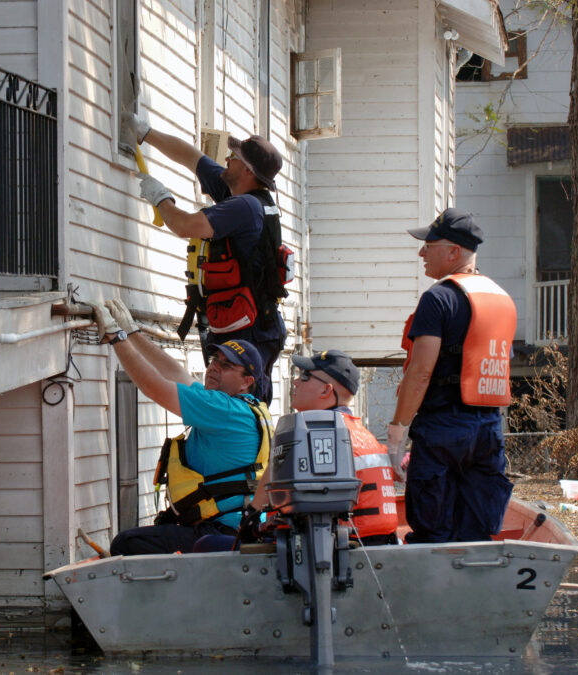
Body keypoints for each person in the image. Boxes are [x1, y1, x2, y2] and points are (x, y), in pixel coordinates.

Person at [121, 112, 287, 403]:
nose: (227, 159)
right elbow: (192, 157)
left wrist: (161, 199)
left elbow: (185, 226)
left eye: (234, 157)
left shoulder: (245, 207)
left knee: (237, 408)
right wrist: (145, 133)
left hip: (249, 332)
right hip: (247, 324)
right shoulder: (240, 193)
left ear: (248, 171)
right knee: (222, 403)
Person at [88, 297, 272, 556]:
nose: (214, 368)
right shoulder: (250, 408)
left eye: (227, 366)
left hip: (220, 533)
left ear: (246, 382)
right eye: (215, 360)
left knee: (126, 543)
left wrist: (117, 339)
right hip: (236, 528)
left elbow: (155, 386)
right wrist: (133, 334)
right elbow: (176, 375)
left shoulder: (223, 409)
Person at [388, 208, 516, 543]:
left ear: (453, 252)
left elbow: (420, 371)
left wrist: (397, 432)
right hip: (488, 428)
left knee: (433, 530)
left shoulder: (438, 298)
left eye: (428, 245)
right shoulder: (502, 299)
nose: (421, 253)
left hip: (443, 428)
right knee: (476, 528)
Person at [194, 349, 399, 552]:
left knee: (204, 544)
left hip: (332, 552)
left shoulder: (315, 433)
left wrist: (253, 521)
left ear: (326, 391)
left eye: (305, 376)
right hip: (373, 545)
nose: (295, 382)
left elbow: (308, 518)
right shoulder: (363, 434)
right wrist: (253, 514)